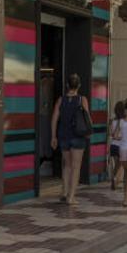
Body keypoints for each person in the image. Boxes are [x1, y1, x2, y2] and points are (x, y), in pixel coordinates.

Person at [51, 74, 91, 205]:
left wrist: (53, 136)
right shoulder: (82, 99)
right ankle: (71, 197)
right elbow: (87, 118)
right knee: (76, 166)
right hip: (78, 136)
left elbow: (54, 119)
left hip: (63, 136)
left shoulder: (60, 100)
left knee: (67, 165)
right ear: (79, 85)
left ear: (67, 85)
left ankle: (64, 192)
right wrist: (89, 131)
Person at [109, 100, 125, 191]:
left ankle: (114, 179)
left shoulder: (112, 121)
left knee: (116, 164)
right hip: (121, 146)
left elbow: (111, 134)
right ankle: (116, 180)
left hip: (113, 146)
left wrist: (115, 138)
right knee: (120, 165)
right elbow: (122, 135)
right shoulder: (124, 122)